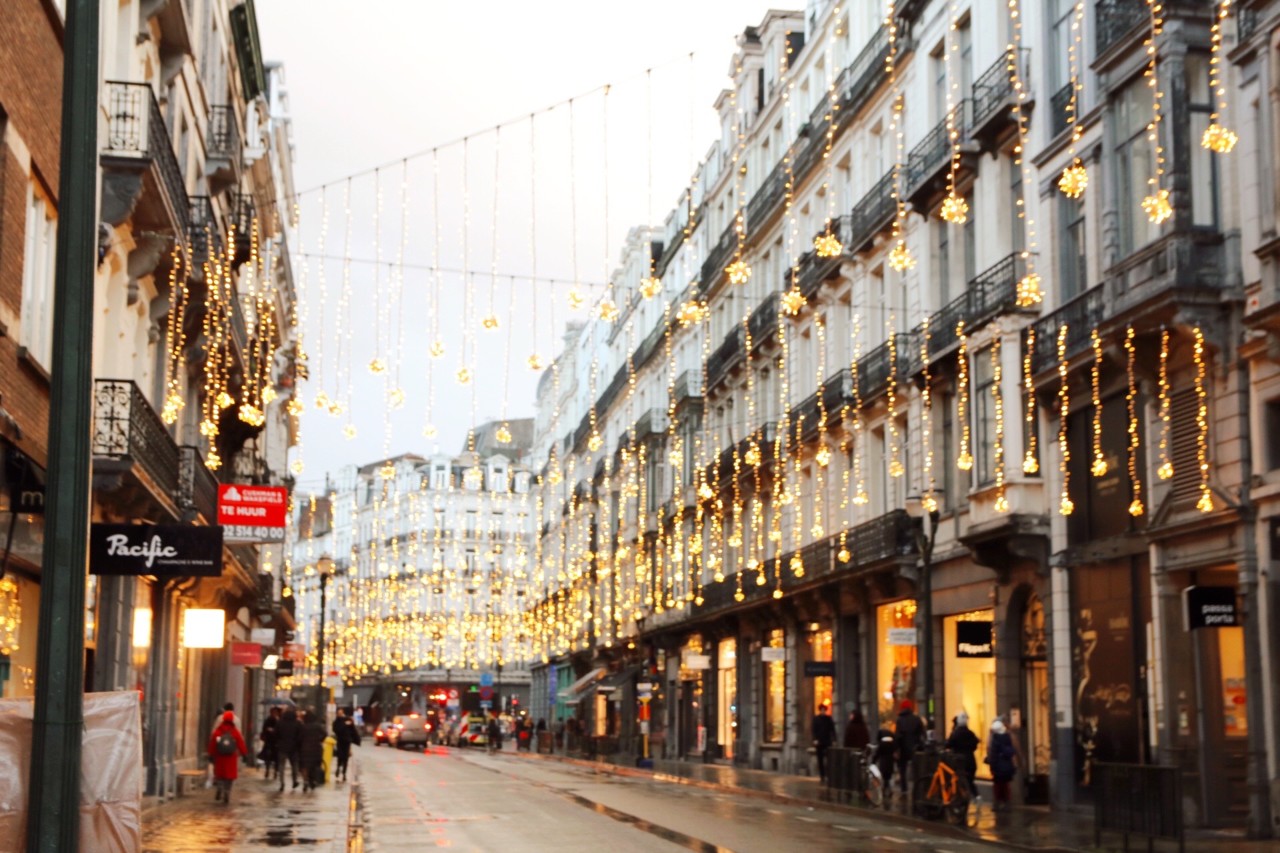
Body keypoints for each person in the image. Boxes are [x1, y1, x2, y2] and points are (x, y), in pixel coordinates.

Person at [207, 711, 248, 804]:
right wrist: (244, 754)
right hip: (231, 757)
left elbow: (213, 743)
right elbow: (240, 743)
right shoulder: (234, 731)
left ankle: (220, 787)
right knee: (229, 776)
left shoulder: (218, 730)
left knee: (220, 774)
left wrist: (210, 754)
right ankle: (227, 792)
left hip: (220, 756)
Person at [986, 718, 1019, 810]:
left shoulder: (994, 738)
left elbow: (990, 750)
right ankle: (1007, 803)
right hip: (1007, 765)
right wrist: (1015, 763)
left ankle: (998, 803)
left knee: (998, 785)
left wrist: (991, 764)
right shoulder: (1008, 736)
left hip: (997, 765)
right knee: (1005, 784)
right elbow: (1013, 750)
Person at [945, 713, 980, 801]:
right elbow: (975, 744)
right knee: (970, 781)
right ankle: (977, 796)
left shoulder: (955, 733)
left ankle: (962, 798)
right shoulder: (970, 733)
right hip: (971, 760)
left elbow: (949, 744)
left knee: (959, 780)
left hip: (960, 761)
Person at [893, 700, 925, 794]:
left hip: (903, 748)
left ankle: (904, 789)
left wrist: (896, 749)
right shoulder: (916, 719)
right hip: (915, 747)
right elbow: (922, 733)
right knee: (917, 769)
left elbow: (897, 736)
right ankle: (917, 788)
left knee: (903, 770)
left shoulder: (899, 720)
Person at [275, 707, 303, 791]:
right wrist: (297, 744)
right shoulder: (297, 723)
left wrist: (279, 742)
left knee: (281, 765)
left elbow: (276, 734)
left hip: (282, 747)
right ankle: (294, 781)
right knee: (294, 765)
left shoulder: (280, 722)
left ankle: (282, 783)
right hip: (294, 748)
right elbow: (300, 736)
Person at [299, 710, 327, 791]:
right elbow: (325, 734)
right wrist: (320, 740)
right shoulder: (317, 726)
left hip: (305, 749)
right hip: (316, 748)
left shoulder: (303, 727)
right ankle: (313, 780)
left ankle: (305, 781)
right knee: (315, 765)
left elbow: (299, 738)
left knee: (305, 766)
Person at [333, 708, 361, 782]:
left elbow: (353, 730)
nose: (340, 714)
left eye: (341, 713)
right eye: (339, 713)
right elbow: (337, 730)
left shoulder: (347, 720)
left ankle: (344, 773)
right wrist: (345, 724)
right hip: (340, 742)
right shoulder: (336, 722)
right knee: (340, 757)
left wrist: (356, 739)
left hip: (347, 742)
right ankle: (338, 768)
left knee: (345, 758)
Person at [811, 702, 837, 782]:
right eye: (821, 710)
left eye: (824, 710)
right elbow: (814, 730)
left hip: (827, 741)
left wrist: (834, 740)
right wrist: (815, 739)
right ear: (820, 710)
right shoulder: (816, 719)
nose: (823, 711)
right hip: (819, 742)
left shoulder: (828, 718)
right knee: (820, 759)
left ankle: (828, 775)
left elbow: (832, 730)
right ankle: (822, 776)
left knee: (828, 759)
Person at [259, 706, 281, 779]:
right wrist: (268, 730)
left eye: (276, 712)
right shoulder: (268, 720)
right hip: (269, 741)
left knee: (276, 758)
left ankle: (275, 772)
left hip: (276, 742)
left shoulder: (279, 720)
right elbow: (264, 728)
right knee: (268, 756)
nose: (275, 713)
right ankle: (267, 770)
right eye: (274, 712)